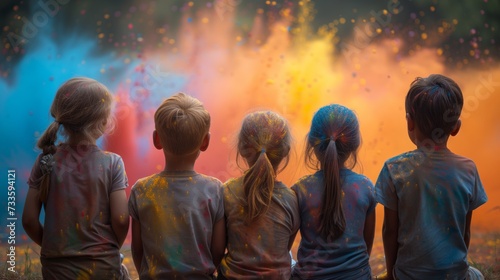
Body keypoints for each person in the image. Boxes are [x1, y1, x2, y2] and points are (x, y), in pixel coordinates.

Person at [376, 74, 488, 280]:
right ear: (456, 127)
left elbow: (389, 231)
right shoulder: (469, 169)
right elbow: (465, 232)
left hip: (408, 275)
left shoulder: (394, 169)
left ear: (409, 122)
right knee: (477, 275)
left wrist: (392, 273)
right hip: (453, 275)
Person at [22, 77, 130, 279]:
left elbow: (29, 220)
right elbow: (121, 220)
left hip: (56, 271)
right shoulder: (112, 163)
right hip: (103, 266)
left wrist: (55, 246)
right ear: (104, 121)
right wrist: (112, 247)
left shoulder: (45, 160)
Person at [128, 93, 225, 279]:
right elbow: (218, 250)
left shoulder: (141, 189)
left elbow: (138, 249)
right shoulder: (214, 190)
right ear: (206, 142)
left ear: (156, 139)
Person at [291, 104, 376, 280]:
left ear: (312, 145)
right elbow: (366, 249)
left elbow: (285, 248)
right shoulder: (365, 187)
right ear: (354, 145)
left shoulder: (300, 190)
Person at [218, 111, 300, 280]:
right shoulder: (292, 199)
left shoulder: (226, 192)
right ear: (285, 152)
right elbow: (284, 249)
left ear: (241, 148)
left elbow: (219, 248)